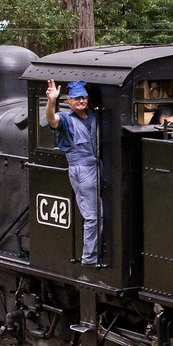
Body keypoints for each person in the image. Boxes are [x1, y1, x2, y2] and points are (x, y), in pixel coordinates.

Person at [44, 79, 103, 267]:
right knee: (92, 215)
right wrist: (51, 101)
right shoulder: (66, 120)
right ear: (69, 100)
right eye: (77, 98)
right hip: (81, 169)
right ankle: (89, 258)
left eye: (84, 97)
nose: (81, 101)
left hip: (96, 166)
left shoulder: (92, 117)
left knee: (99, 213)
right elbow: (51, 120)